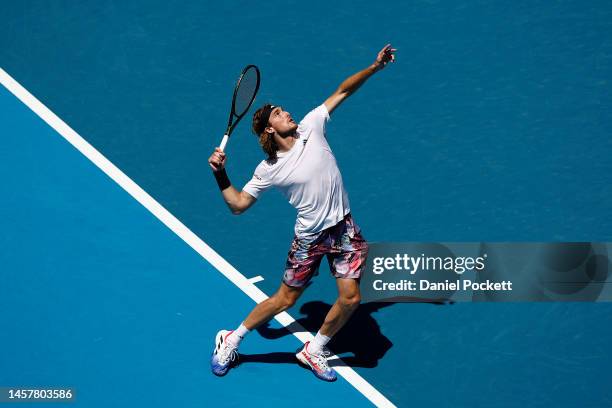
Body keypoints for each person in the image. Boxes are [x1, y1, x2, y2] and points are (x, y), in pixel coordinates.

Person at [208, 44, 396, 381]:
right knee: (284, 300)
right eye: (278, 114)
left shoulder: (312, 125)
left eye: (283, 110)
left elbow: (343, 90)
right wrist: (221, 174)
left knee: (351, 298)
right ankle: (231, 339)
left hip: (344, 230)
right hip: (310, 239)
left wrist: (374, 67)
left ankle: (314, 349)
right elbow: (237, 205)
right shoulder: (268, 169)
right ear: (269, 130)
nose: (286, 114)